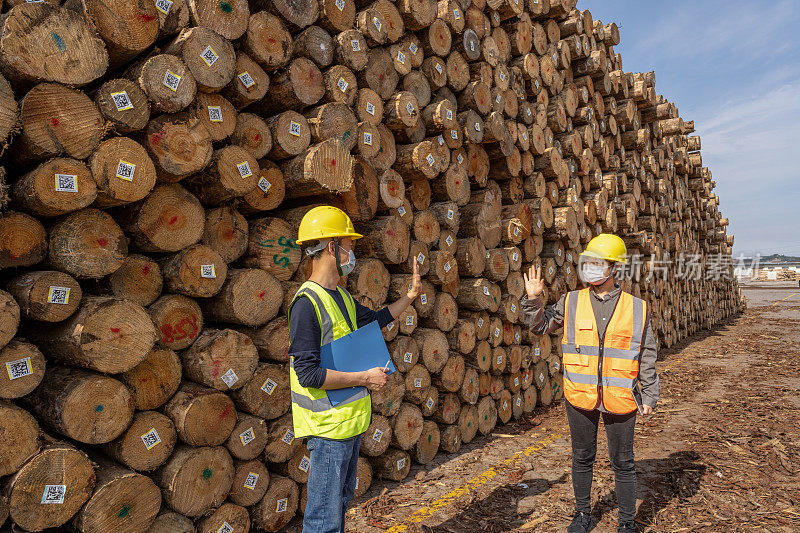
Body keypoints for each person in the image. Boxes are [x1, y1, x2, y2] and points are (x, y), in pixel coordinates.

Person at [288, 206, 421, 533]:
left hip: (346, 426)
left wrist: (410, 297)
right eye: (350, 245)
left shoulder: (341, 298)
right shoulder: (306, 304)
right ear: (332, 247)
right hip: (328, 429)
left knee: (338, 507)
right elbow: (309, 375)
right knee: (323, 521)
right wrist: (365, 377)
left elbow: (376, 321)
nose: (353, 253)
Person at [521, 233, 660, 533]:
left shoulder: (637, 308)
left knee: (623, 462)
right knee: (582, 457)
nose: (591, 268)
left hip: (621, 397)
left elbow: (646, 351)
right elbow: (540, 327)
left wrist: (649, 393)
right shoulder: (571, 301)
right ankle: (582, 514)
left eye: (598, 263)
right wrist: (534, 299)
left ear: (615, 268)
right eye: (589, 262)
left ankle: (626, 522)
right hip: (580, 396)